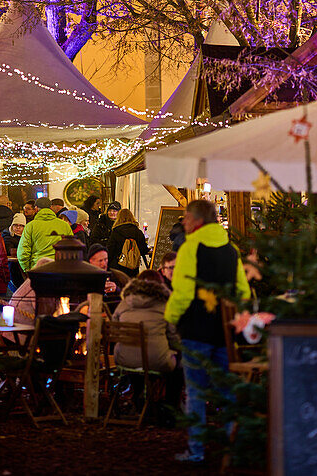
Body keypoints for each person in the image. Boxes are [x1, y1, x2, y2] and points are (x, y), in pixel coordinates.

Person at [164, 198, 251, 465]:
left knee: (196, 393)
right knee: (226, 392)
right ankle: (230, 448)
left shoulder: (191, 248)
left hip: (195, 331)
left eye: (187, 218)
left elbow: (184, 291)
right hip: (224, 333)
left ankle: (197, 451)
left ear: (198, 221)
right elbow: (243, 292)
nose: (184, 223)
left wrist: (170, 317)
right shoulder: (231, 249)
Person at [113, 270, 183, 418]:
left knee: (138, 358)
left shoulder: (125, 303)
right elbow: (173, 338)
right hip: (156, 361)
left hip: (124, 359)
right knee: (180, 362)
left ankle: (140, 397)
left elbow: (115, 326)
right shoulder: (165, 305)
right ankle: (170, 407)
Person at [17, 197, 73, 272]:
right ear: (51, 207)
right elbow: (72, 247)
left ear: (36, 208)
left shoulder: (30, 226)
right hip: (60, 268)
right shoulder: (64, 225)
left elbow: (23, 251)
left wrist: (27, 269)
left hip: (38, 268)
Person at [9, 256, 59, 323]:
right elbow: (44, 312)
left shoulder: (31, 282)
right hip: (22, 327)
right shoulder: (39, 285)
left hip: (16, 325)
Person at [107, 208, 150, 279]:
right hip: (133, 267)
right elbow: (144, 250)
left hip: (118, 266)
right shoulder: (138, 232)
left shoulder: (116, 232)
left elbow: (110, 250)